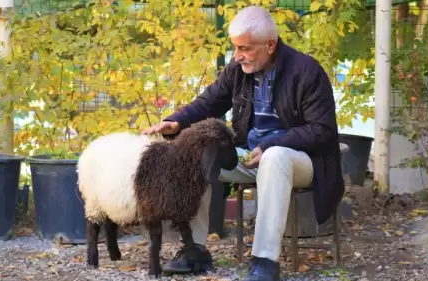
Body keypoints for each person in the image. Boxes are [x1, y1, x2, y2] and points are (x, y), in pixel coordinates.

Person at [141, 5, 345, 281]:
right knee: (195, 155)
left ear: (270, 45)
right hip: (250, 156)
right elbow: (210, 102)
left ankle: (265, 262)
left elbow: (322, 132)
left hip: (302, 160)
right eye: (235, 48)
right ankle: (194, 249)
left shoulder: (307, 72)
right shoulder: (238, 70)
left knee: (275, 157)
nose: (237, 55)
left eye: (244, 48)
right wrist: (176, 122)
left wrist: (273, 143)